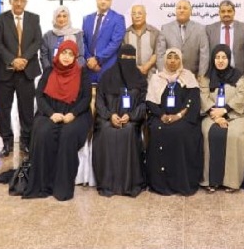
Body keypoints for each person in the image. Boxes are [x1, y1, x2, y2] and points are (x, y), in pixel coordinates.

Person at [22, 40, 91, 201]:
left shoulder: (82, 73)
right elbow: (40, 96)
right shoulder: (49, 71)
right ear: (58, 54)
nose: (66, 57)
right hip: (50, 112)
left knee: (68, 134)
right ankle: (42, 185)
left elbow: (86, 98)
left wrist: (73, 114)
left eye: (71, 54)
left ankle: (62, 188)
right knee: (43, 132)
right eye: (64, 53)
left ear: (75, 57)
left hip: (76, 114)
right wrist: (51, 114)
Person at [92, 44, 147, 197]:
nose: (127, 61)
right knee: (106, 131)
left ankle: (129, 184)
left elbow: (144, 104)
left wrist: (131, 116)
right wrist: (110, 115)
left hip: (131, 120)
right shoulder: (107, 76)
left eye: (131, 58)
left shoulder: (140, 78)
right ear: (118, 58)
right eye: (124, 57)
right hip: (107, 118)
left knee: (128, 131)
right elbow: (99, 102)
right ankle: (107, 183)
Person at [0, 0, 42, 157]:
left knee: (26, 109)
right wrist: (13, 60)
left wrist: (24, 59)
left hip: (26, 71)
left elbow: (37, 41)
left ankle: (25, 142)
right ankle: (6, 142)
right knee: (3, 109)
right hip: (4, 71)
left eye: (22, 1)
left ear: (26, 2)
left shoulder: (34, 18)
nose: (19, 4)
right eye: (16, 0)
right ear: (10, 1)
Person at [146, 48, 202, 196]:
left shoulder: (188, 77)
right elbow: (151, 102)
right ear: (165, 60)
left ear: (181, 60)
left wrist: (179, 115)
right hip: (161, 116)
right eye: (169, 57)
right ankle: (160, 182)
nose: (172, 61)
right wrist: (161, 115)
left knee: (179, 131)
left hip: (184, 118)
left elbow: (193, 100)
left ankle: (180, 182)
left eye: (176, 58)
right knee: (158, 129)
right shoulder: (157, 78)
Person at [199, 44, 244, 193]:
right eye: (217, 57)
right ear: (213, 59)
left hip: (236, 115)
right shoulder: (206, 78)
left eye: (224, 57)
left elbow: (242, 95)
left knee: (235, 135)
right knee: (208, 133)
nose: (220, 61)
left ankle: (231, 181)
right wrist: (216, 116)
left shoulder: (239, 77)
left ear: (229, 59)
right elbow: (203, 97)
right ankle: (210, 180)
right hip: (211, 115)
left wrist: (225, 111)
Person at [82, 0, 126, 84]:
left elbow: (115, 43)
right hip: (89, 68)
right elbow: (83, 41)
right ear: (96, 0)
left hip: (108, 68)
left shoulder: (118, 19)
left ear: (111, 1)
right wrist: (89, 60)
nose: (103, 1)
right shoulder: (87, 19)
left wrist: (97, 59)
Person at [157, 0, 210, 77]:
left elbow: (204, 55)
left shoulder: (200, 29)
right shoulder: (165, 28)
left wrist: (201, 76)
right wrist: (164, 75)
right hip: (170, 77)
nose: (182, 10)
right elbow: (160, 55)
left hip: (193, 76)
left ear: (191, 11)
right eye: (179, 8)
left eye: (185, 8)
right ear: (176, 11)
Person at [205, 0, 244, 78]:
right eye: (223, 11)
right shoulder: (209, 29)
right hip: (215, 76)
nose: (226, 14)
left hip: (239, 75)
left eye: (229, 11)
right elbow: (205, 55)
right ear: (219, 13)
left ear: (234, 12)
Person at [40, 5, 85, 75]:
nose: (61, 19)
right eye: (59, 16)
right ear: (55, 18)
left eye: (64, 16)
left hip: (72, 74)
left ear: (68, 18)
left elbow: (81, 56)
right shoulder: (48, 35)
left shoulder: (77, 34)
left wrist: (73, 72)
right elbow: (44, 56)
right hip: (52, 74)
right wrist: (49, 72)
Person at [124, 4, 159, 78]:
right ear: (131, 16)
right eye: (134, 14)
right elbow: (123, 54)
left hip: (150, 75)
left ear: (145, 15)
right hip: (130, 75)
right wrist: (135, 68)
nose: (137, 16)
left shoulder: (155, 32)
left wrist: (147, 66)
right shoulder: (125, 34)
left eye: (140, 13)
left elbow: (157, 52)